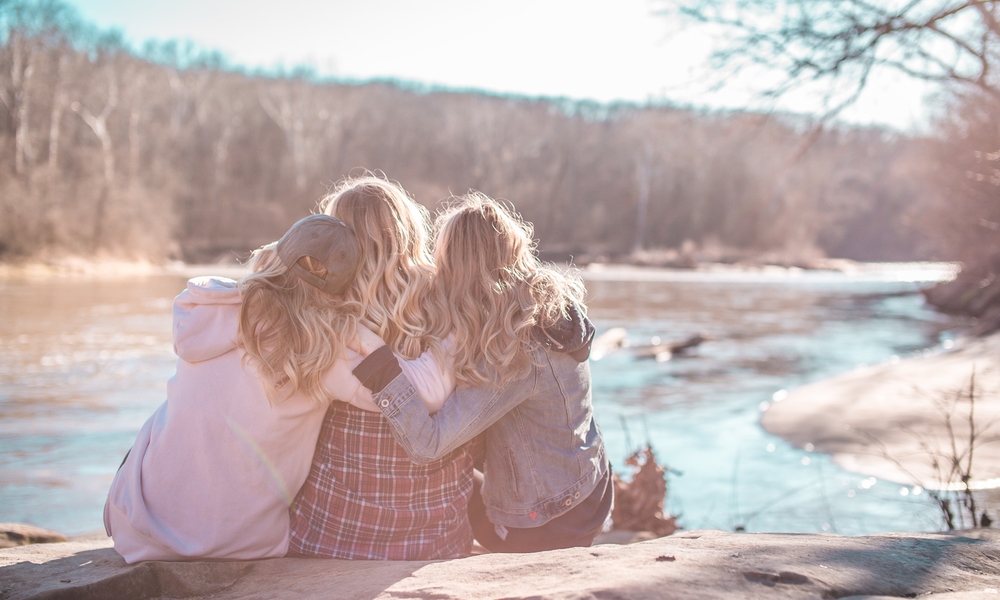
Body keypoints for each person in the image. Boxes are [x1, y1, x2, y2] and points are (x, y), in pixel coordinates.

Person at [104, 214, 450, 563]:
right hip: (241, 544)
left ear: (276, 257)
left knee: (161, 421)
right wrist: (452, 338)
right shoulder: (327, 349)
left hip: (135, 527)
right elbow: (420, 395)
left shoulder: (208, 309)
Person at [352, 192, 612, 553]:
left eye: (442, 263)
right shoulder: (541, 305)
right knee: (457, 470)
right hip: (587, 483)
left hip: (552, 519)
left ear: (459, 272)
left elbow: (428, 445)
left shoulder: (519, 349)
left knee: (434, 479)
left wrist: (380, 366)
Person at [287, 175, 474, 560]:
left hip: (332, 535)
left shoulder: (319, 312)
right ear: (409, 232)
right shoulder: (452, 302)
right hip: (434, 538)